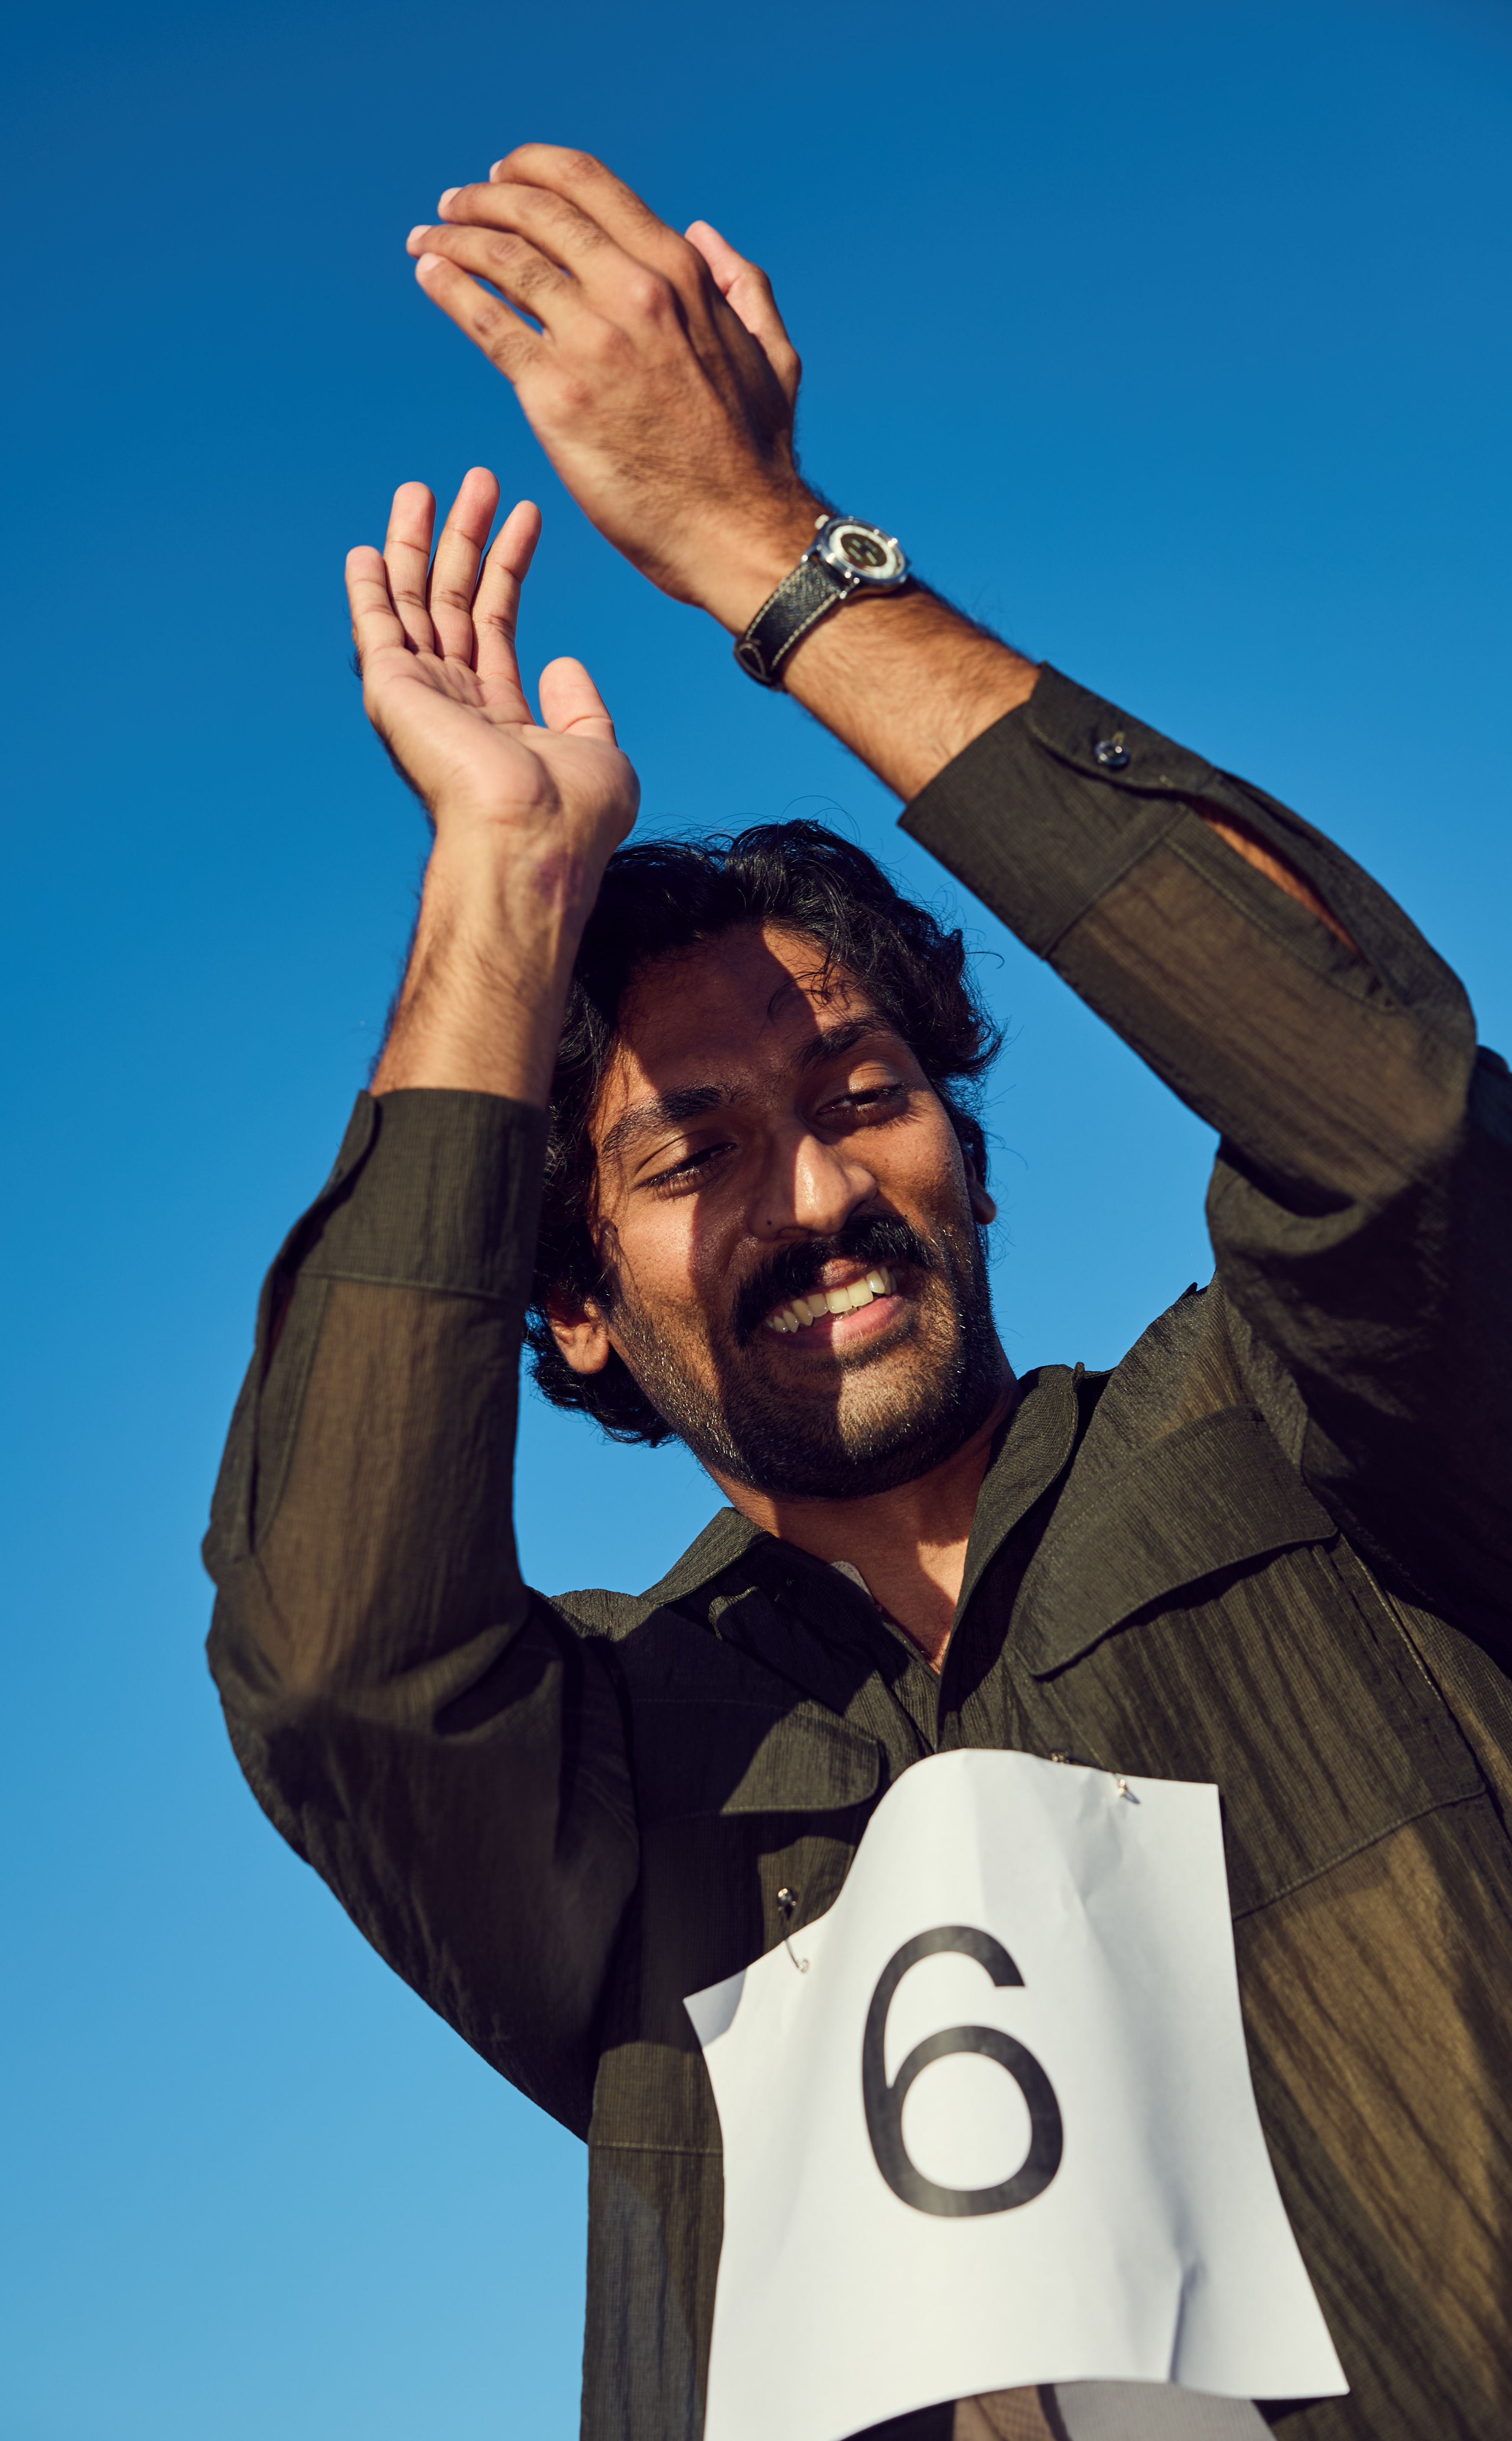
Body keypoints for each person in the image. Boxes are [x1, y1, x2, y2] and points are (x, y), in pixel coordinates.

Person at [203, 147, 1512, 2441]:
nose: (812, 1189)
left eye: (864, 1090)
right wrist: (505, 886)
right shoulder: (611, 1785)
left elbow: (1393, 1121)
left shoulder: (1318, 1457)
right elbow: (329, 1652)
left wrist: (763, 554)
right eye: (687, 1156)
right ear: (574, 1313)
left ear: (972, 1162)